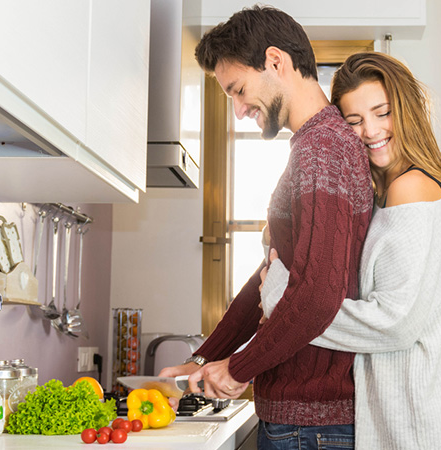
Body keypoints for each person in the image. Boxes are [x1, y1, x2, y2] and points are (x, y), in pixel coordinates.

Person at [158, 6, 373, 449]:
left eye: (238, 90)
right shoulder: (314, 147)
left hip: (312, 426)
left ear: (276, 61)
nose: (237, 111)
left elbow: (316, 297)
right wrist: (206, 357)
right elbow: (268, 277)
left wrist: (238, 368)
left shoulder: (323, 149)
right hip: (304, 422)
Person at [259, 52, 441, 450]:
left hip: (429, 424)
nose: (370, 131)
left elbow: (393, 323)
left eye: (382, 112)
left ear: (406, 110)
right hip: (418, 417)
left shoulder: (410, 187)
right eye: (354, 121)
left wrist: (282, 297)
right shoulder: (384, 193)